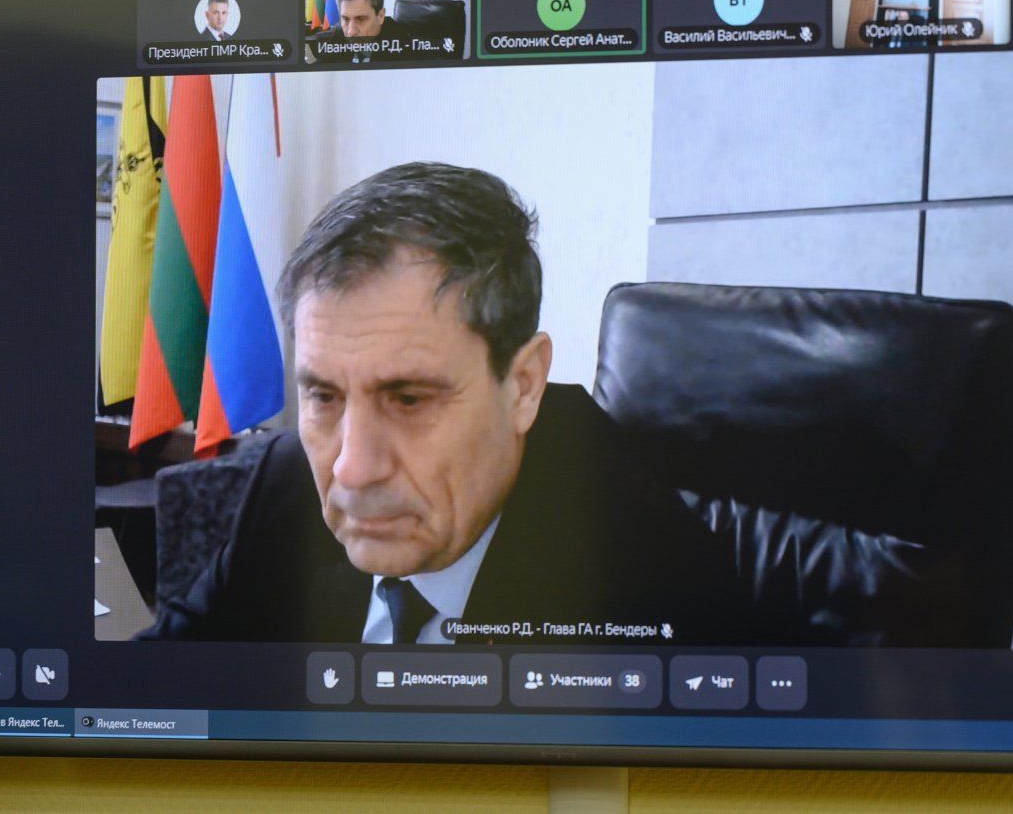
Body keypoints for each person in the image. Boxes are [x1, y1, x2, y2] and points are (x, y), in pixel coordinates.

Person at [140, 162, 753, 645]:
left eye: (408, 399)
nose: (351, 468)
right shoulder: (286, 484)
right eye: (323, 395)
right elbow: (170, 675)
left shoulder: (645, 573)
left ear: (523, 387)